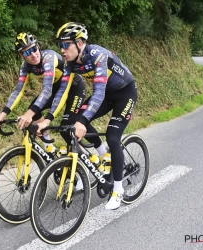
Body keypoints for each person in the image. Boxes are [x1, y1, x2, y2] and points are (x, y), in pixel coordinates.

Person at [37, 22, 138, 210]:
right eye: (60, 45)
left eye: (66, 44)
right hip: (107, 94)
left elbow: (98, 93)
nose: (62, 49)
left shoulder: (97, 55)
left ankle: (117, 190)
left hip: (125, 93)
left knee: (112, 137)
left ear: (80, 43)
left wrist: (83, 121)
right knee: (72, 121)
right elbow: (62, 93)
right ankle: (103, 156)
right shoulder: (70, 64)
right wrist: (48, 119)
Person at [0, 32, 106, 158]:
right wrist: (1, 115)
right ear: (21, 55)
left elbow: (46, 90)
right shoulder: (25, 67)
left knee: (67, 124)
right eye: (27, 52)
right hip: (56, 89)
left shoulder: (48, 58)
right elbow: (18, 91)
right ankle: (49, 146)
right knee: (34, 109)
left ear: (38, 46)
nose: (33, 55)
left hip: (74, 88)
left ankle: (102, 152)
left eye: (34, 49)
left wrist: (29, 115)